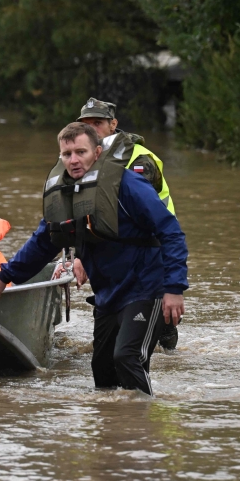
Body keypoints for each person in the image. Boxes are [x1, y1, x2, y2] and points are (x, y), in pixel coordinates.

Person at [0, 123, 187, 396]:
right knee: (102, 372)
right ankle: (110, 432)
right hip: (107, 294)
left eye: (81, 151)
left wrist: (174, 289)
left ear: (97, 152)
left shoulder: (128, 185)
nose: (74, 160)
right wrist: (5, 278)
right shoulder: (64, 193)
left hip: (146, 287)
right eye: (67, 154)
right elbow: (43, 242)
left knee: (127, 358)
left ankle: (142, 429)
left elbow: (171, 233)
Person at [77, 97, 179, 350]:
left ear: (113, 124)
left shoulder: (139, 160)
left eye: (98, 123)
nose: (92, 130)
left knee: (150, 311)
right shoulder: (81, 158)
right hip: (110, 244)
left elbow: (138, 212)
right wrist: (80, 253)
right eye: (86, 125)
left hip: (149, 244)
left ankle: (166, 342)